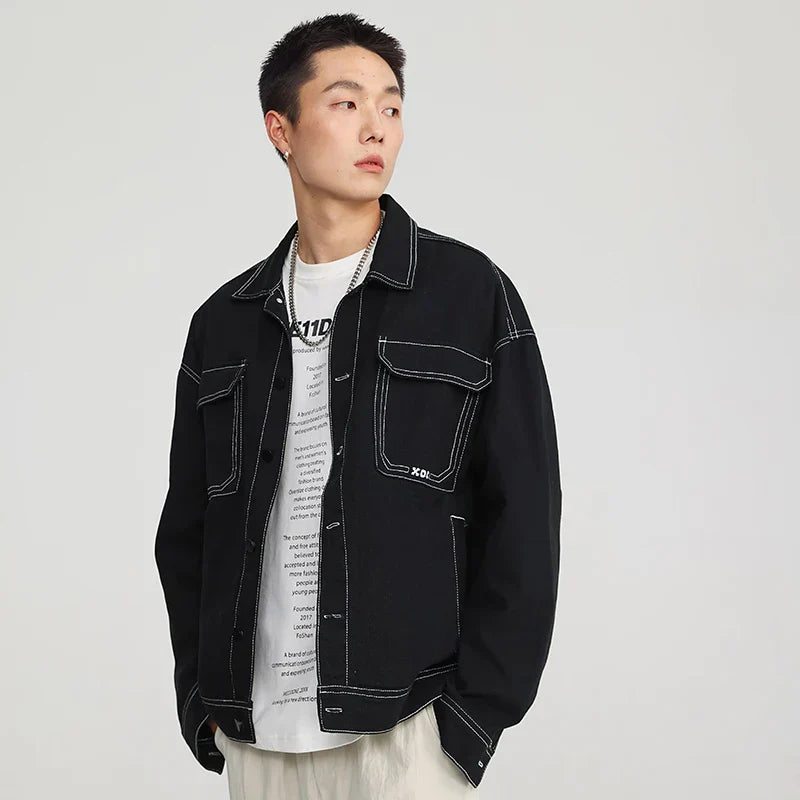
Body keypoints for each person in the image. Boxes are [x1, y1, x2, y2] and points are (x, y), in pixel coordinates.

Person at [154, 12, 562, 799]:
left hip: (406, 736)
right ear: (281, 129)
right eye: (346, 103)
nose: (376, 126)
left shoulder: (467, 294)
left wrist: (470, 720)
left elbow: (524, 516)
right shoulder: (223, 324)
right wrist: (201, 705)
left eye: (392, 106)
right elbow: (189, 532)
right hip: (258, 740)